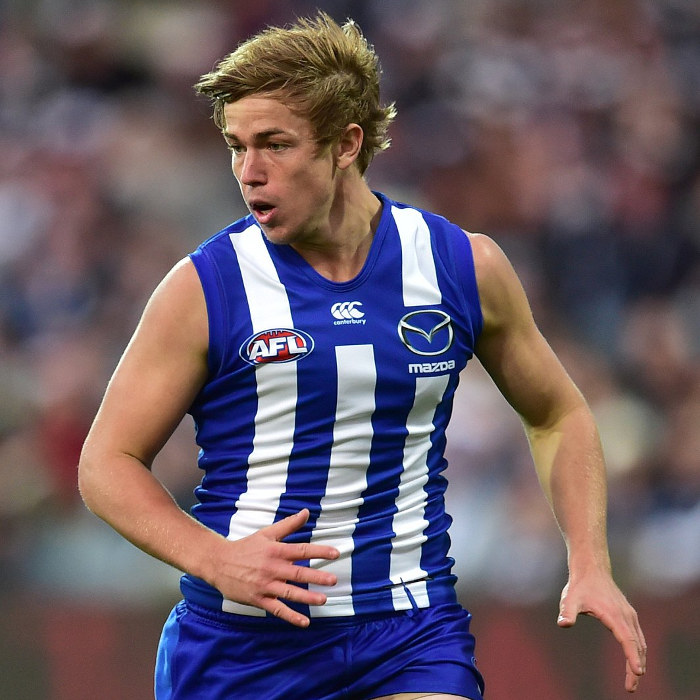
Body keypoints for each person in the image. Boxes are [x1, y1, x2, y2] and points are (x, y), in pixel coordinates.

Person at [78, 12, 646, 700]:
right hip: (242, 646)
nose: (250, 173)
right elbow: (106, 463)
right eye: (237, 146)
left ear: (347, 143)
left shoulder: (460, 265)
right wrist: (214, 558)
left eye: (275, 145)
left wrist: (590, 562)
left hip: (409, 633)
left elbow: (559, 414)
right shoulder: (205, 287)